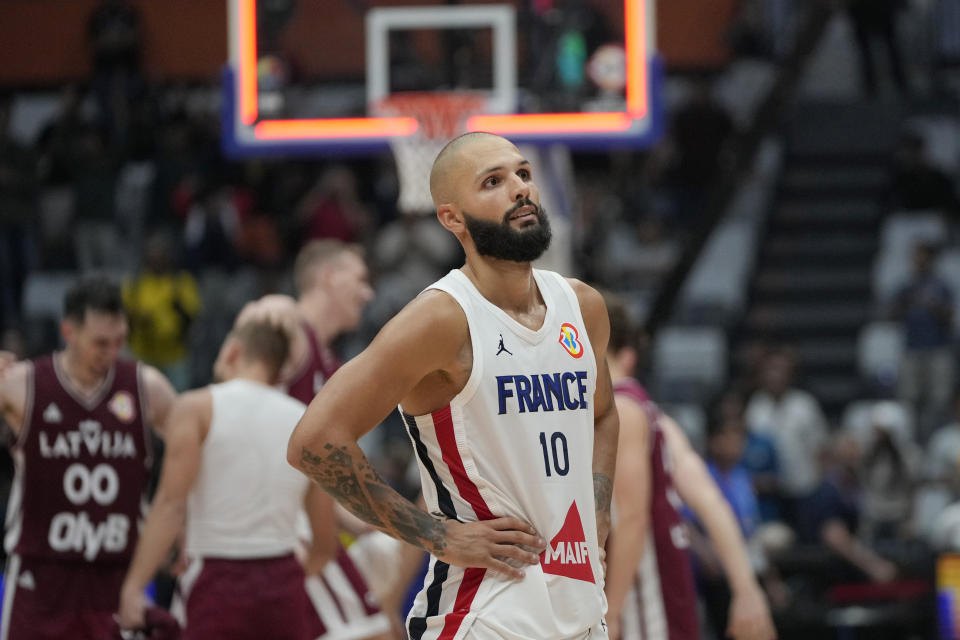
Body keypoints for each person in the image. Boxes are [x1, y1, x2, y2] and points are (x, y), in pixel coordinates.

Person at [286, 132, 619, 639]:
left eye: (523, 174)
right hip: (483, 613)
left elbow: (603, 414)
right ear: (452, 218)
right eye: (493, 181)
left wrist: (597, 506)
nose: (519, 189)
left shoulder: (583, 306)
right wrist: (437, 536)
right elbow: (314, 441)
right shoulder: (441, 318)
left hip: (578, 603)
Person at [116, 320, 336, 639]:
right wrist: (288, 577)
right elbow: (325, 542)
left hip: (217, 580)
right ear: (279, 372)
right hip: (284, 584)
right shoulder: (307, 420)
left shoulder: (196, 408)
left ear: (233, 350)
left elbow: (170, 506)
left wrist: (134, 587)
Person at [0, 275, 177, 639]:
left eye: (119, 342)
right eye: (100, 343)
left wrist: (185, 526)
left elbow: (195, 453)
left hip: (119, 576)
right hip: (41, 575)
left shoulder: (148, 388)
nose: (112, 352)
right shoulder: (24, 384)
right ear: (69, 331)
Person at [235, 239, 395, 640]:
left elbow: (315, 475)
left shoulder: (332, 367)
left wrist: (359, 522)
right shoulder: (284, 321)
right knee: (375, 630)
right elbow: (231, 394)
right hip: (270, 524)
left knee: (383, 621)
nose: (368, 292)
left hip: (303, 522)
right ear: (328, 277)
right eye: (359, 279)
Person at [602, 293, 776, 640]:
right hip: (669, 584)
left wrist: (612, 610)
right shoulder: (655, 416)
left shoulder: (620, 409)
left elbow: (632, 519)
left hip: (640, 593)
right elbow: (710, 500)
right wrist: (746, 589)